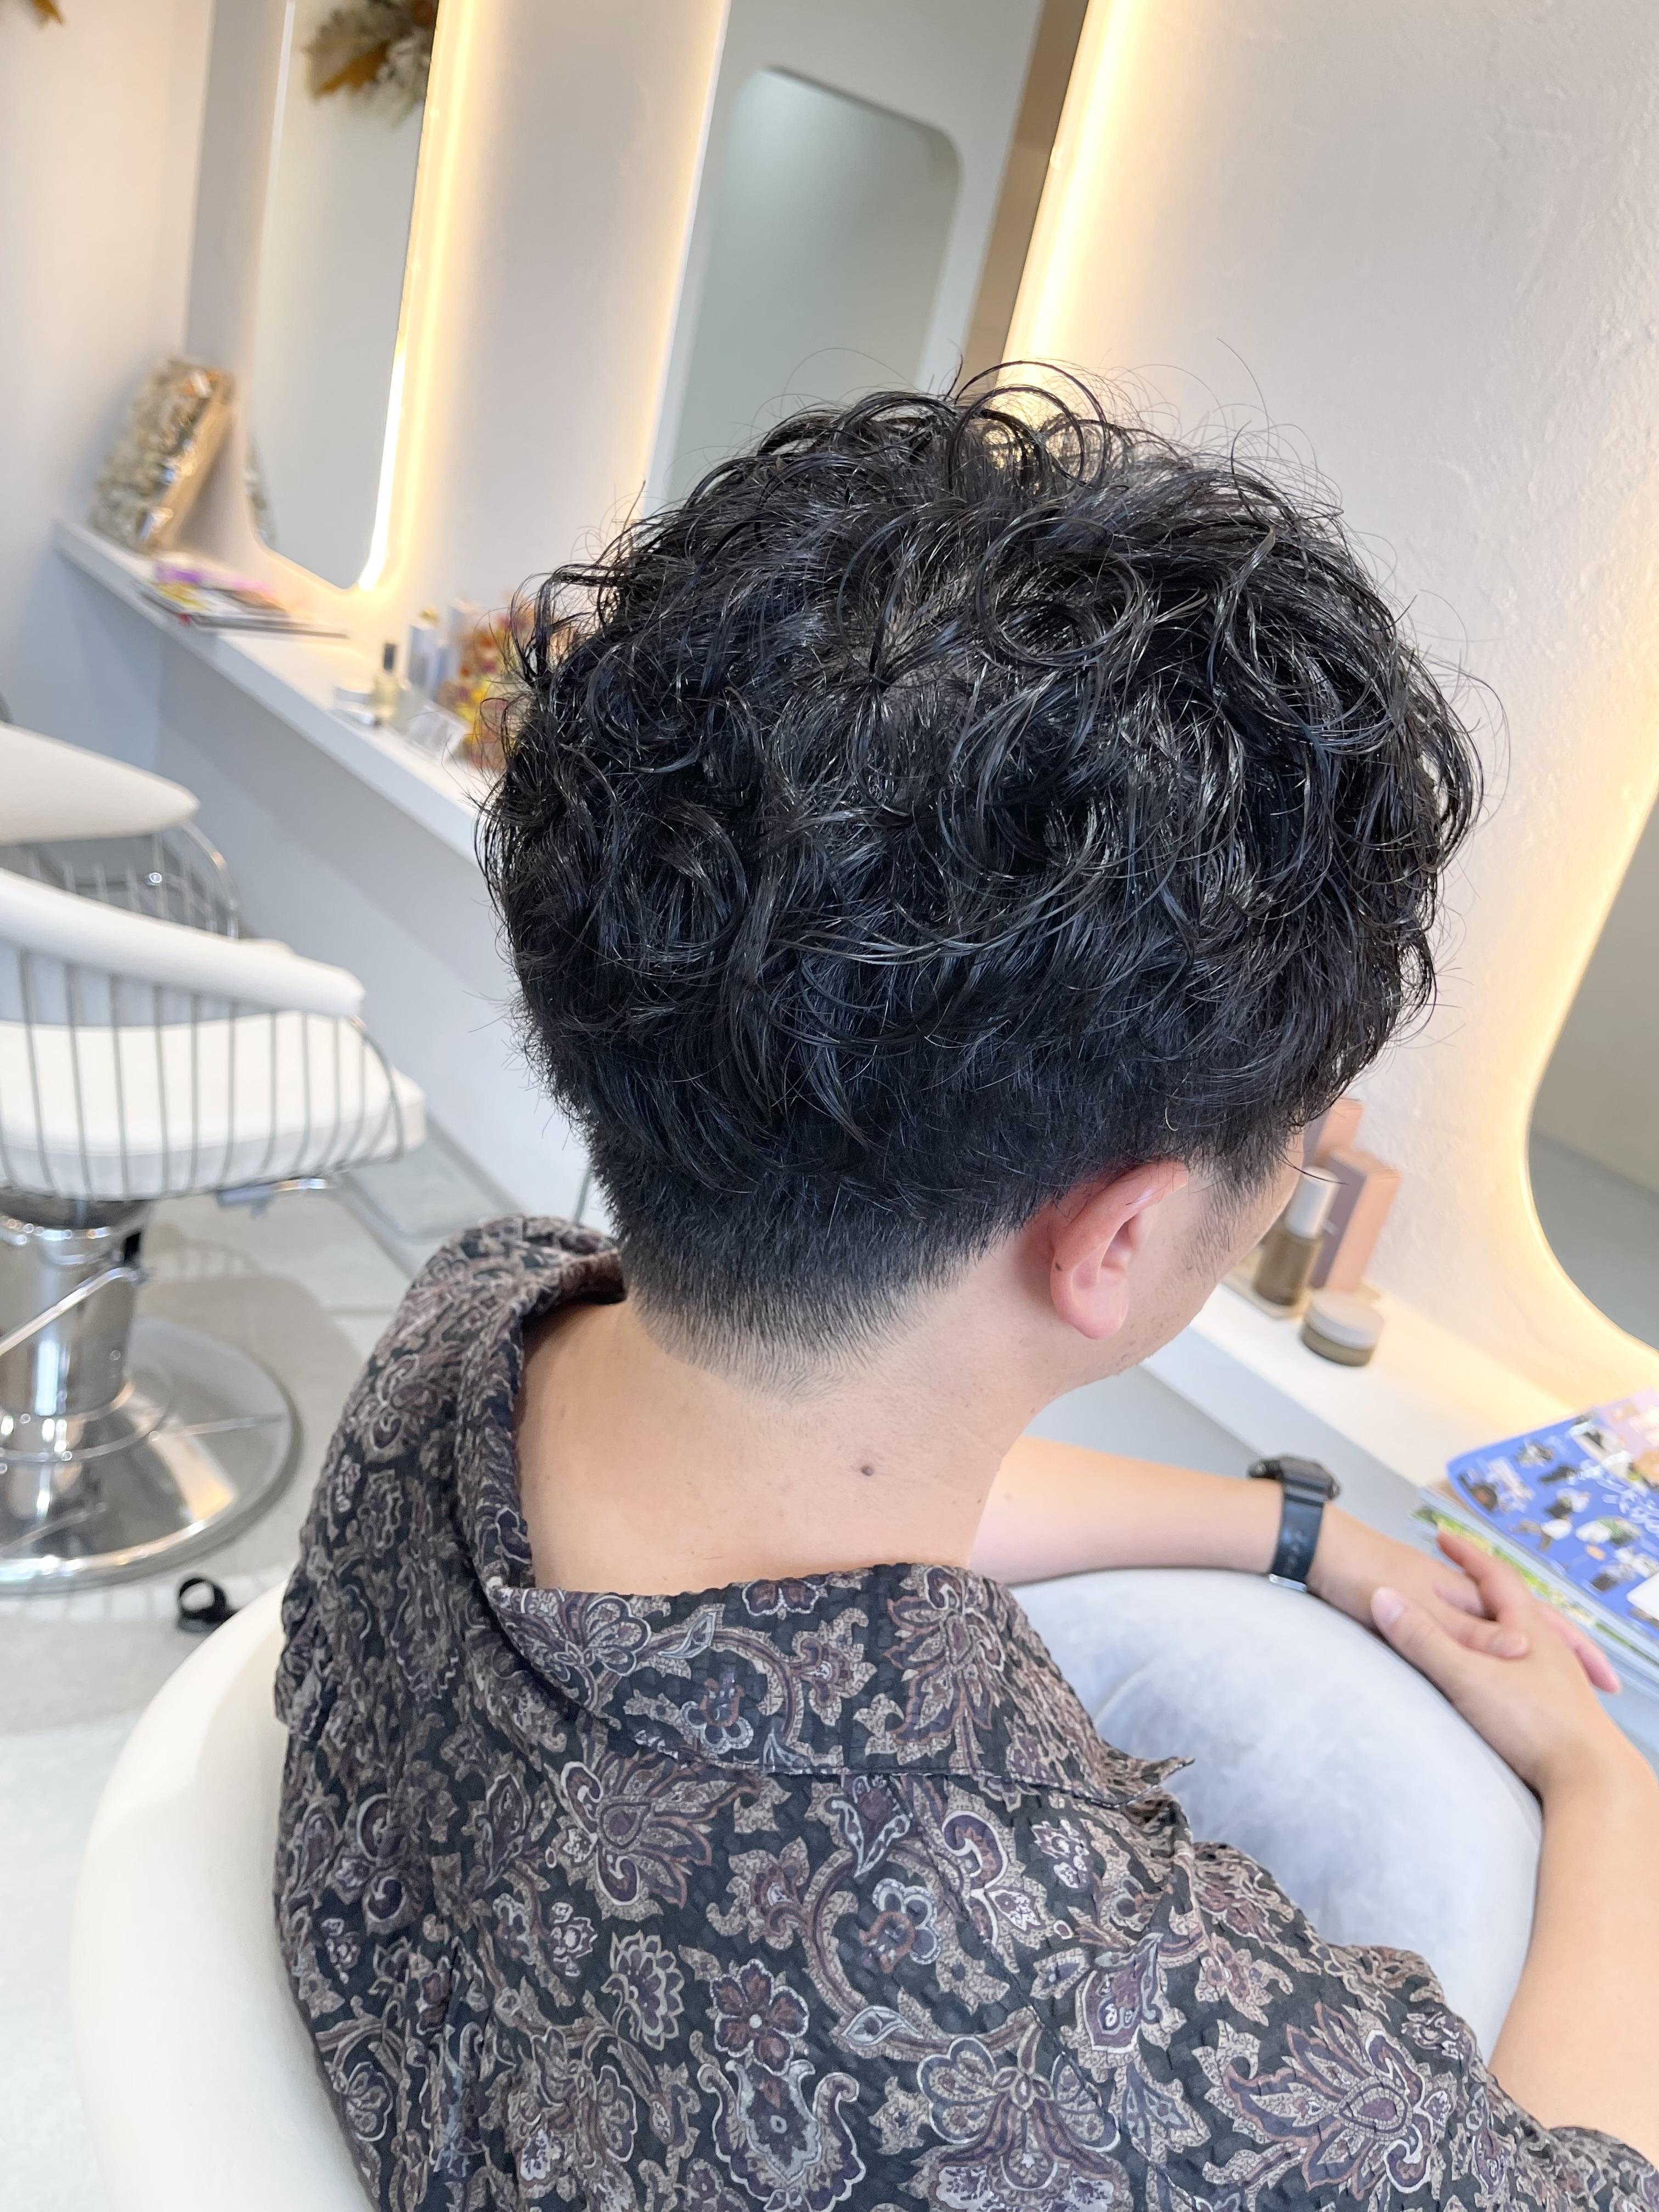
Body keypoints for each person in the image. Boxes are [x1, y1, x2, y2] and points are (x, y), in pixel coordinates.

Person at [275, 380, 1659, 2208]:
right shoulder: (1074, 2025)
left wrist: (1305, 1537)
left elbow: (853, 1513)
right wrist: (1608, 1786)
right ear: (1119, 1239)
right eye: (1300, 1133)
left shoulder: (473, 1324)